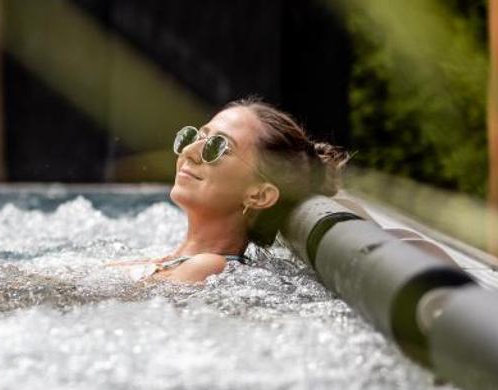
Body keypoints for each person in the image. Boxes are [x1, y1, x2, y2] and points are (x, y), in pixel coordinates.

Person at [134, 98, 349, 285]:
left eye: (219, 147)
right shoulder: (173, 261)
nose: (189, 151)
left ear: (259, 195)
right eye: (198, 136)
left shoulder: (208, 266)